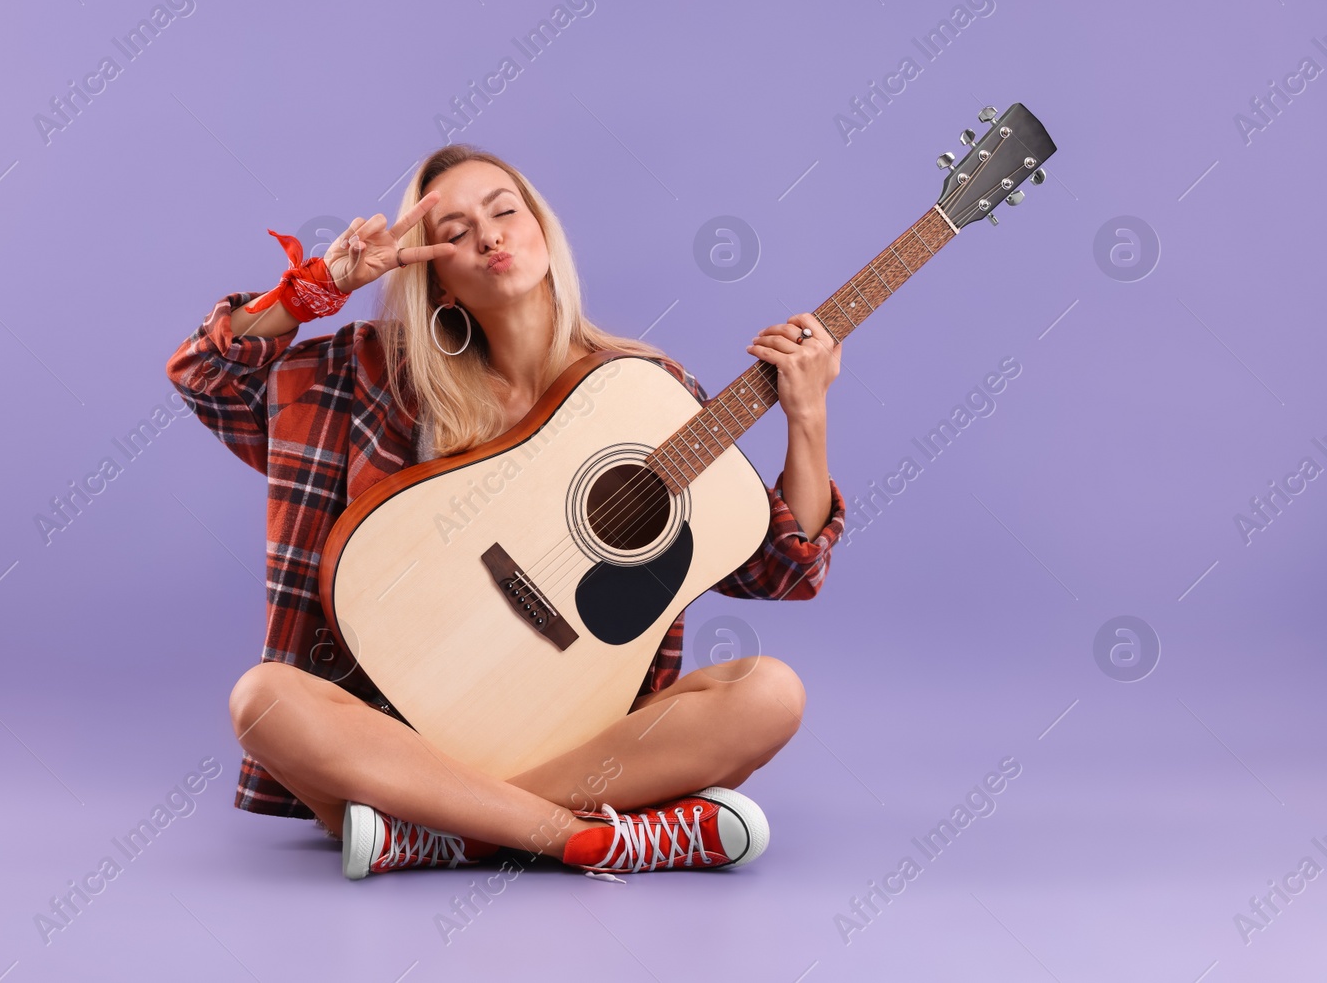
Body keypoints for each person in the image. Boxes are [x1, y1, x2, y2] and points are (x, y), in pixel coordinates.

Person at [166, 144, 846, 879]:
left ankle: (441, 828)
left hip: (576, 729)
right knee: (263, 700)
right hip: (400, 730)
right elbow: (207, 374)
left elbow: (782, 569)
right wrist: (312, 292)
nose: (488, 236)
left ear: (545, 234)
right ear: (438, 281)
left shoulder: (645, 390)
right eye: (454, 232)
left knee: (770, 691)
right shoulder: (377, 376)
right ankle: (585, 835)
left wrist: (807, 418)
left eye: (504, 211)